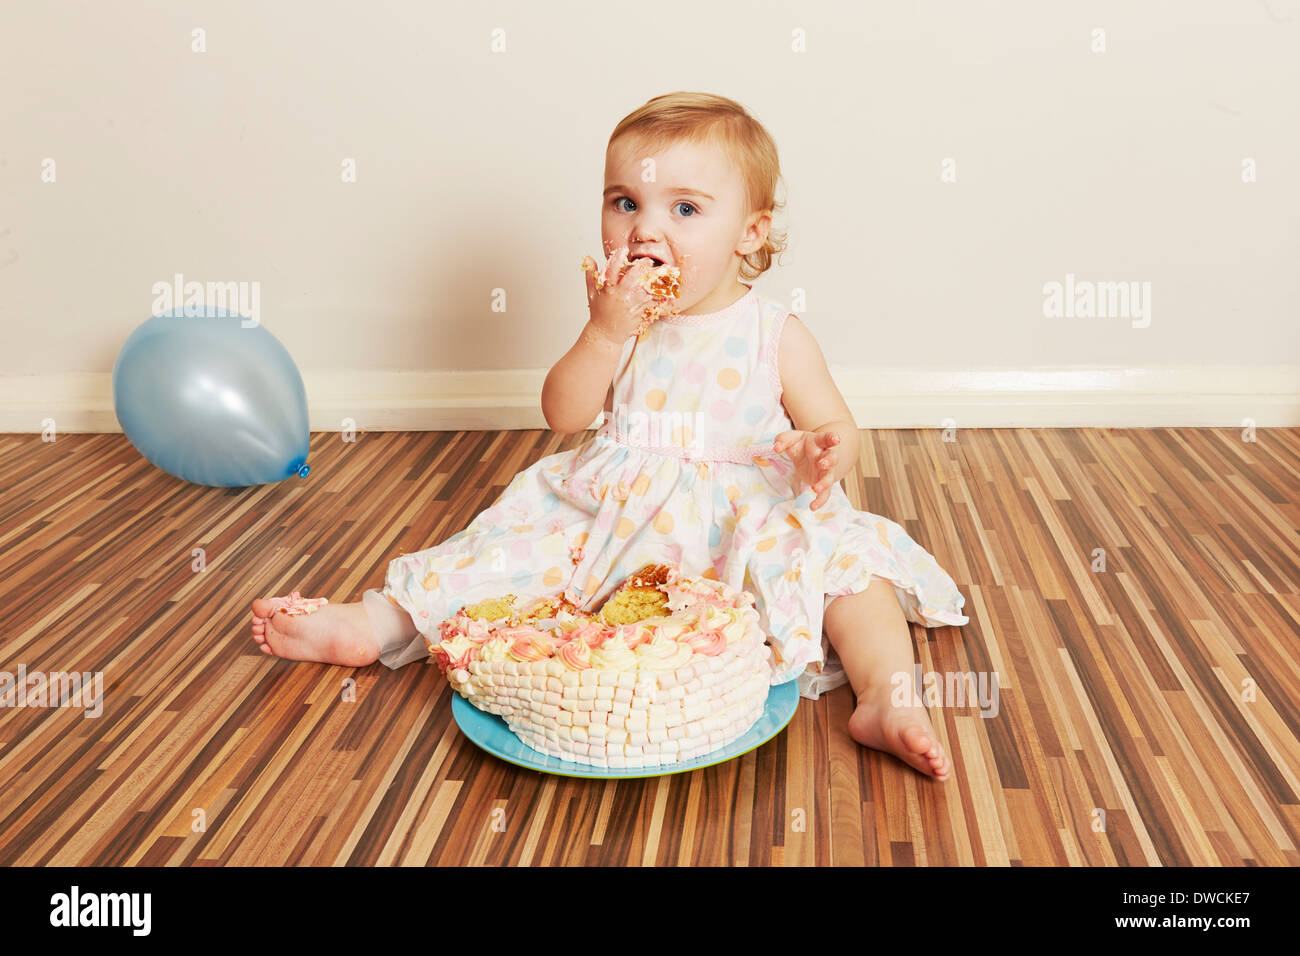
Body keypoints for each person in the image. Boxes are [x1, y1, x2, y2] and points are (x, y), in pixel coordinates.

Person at [251, 92, 969, 780]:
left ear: (750, 231)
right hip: (619, 508)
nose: (645, 229)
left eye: (684, 208)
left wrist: (825, 450)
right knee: (503, 553)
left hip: (743, 511)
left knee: (850, 573)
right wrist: (603, 332)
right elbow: (562, 414)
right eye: (625, 202)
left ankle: (885, 693)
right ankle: (378, 622)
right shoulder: (623, 321)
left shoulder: (773, 333)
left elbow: (835, 426)